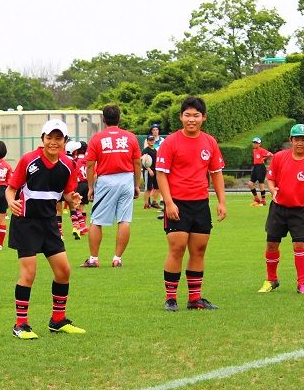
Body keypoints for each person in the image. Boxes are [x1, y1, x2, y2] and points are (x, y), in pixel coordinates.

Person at [6, 119, 85, 339]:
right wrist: (11, 202)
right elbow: (11, 189)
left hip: (49, 223)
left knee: (63, 271)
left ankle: (58, 321)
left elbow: (67, 193)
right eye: (49, 137)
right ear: (42, 139)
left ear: (65, 141)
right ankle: (21, 325)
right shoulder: (28, 160)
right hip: (26, 222)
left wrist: (72, 199)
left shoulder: (68, 164)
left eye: (58, 138)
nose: (53, 142)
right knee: (29, 273)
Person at [155, 96, 226, 311]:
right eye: (187, 115)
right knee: (177, 248)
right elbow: (161, 174)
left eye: (196, 115)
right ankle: (171, 298)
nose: (191, 119)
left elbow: (216, 173)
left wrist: (221, 202)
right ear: (181, 117)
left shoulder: (210, 142)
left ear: (204, 118)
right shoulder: (170, 142)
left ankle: (195, 298)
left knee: (199, 250)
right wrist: (169, 203)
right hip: (177, 203)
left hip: (201, 204)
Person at [257, 123, 304, 296]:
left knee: (300, 244)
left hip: (300, 210)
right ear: (291, 140)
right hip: (278, 208)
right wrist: (272, 189)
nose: (300, 143)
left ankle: (302, 283)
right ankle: (271, 280)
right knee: (272, 244)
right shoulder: (279, 157)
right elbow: (270, 178)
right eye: (297, 139)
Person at [81, 104, 141, 268]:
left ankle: (93, 259)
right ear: (119, 119)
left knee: (96, 220)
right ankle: (117, 258)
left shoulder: (97, 138)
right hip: (126, 179)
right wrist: (136, 185)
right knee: (124, 220)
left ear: (103, 119)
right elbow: (137, 163)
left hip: (106, 180)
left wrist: (91, 187)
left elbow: (90, 165)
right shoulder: (130, 137)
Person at [247, 137, 274, 206]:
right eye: (254, 142)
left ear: (259, 144)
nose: (254, 144)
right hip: (255, 167)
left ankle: (263, 200)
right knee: (250, 184)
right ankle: (256, 198)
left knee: (261, 184)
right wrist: (263, 158)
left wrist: (264, 158)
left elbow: (271, 154)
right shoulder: (254, 150)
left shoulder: (262, 150)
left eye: (256, 143)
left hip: (261, 167)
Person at [142, 124, 163, 210]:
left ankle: (154, 202)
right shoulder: (146, 150)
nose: (151, 141)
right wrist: (149, 169)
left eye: (152, 140)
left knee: (157, 187)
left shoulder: (155, 150)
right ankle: (146, 204)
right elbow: (143, 160)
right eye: (150, 140)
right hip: (148, 171)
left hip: (155, 170)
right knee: (148, 188)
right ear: (147, 141)